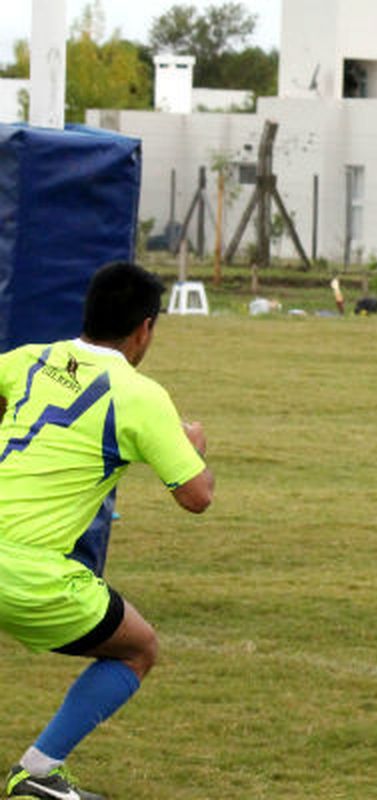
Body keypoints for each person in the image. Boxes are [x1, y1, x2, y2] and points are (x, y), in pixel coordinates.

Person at [0, 262, 214, 800]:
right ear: (145, 328)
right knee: (137, 649)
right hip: (25, 567)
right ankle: (39, 772)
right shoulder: (140, 396)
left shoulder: (31, 358)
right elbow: (197, 496)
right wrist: (189, 443)